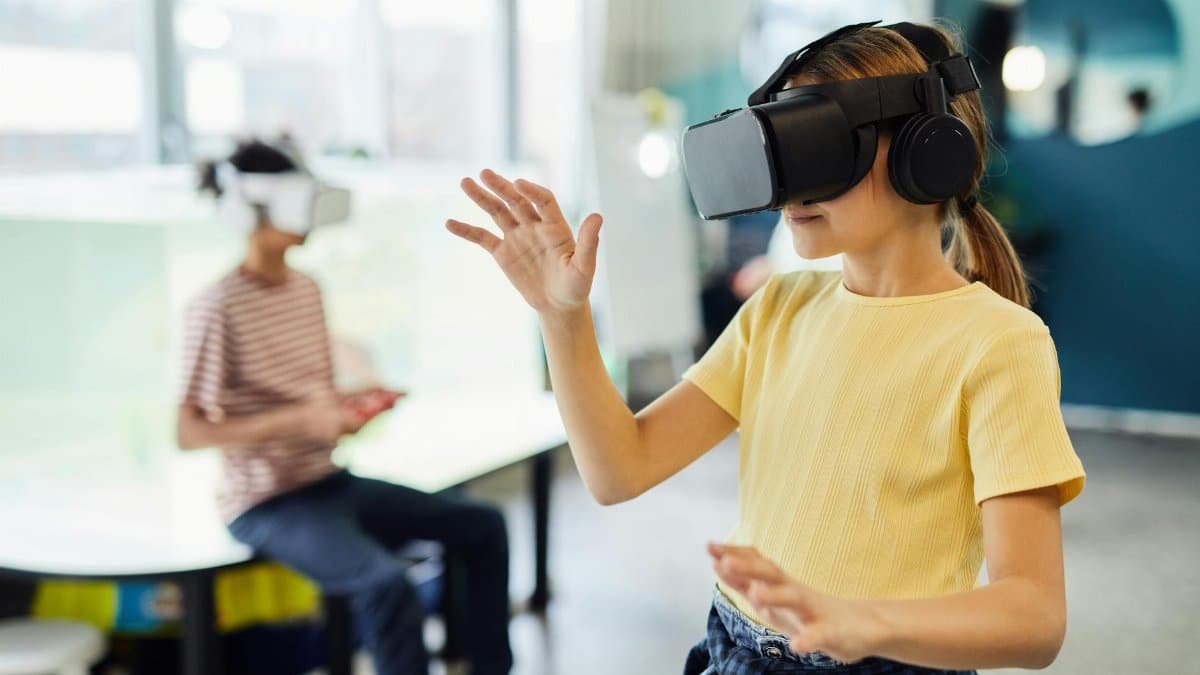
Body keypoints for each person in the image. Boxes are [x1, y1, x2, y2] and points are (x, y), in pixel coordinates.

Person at [445, 21, 1085, 675]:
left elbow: (1033, 618)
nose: (787, 185)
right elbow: (619, 468)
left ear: (926, 148)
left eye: (817, 144)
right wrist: (563, 318)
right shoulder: (780, 308)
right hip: (733, 647)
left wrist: (861, 620)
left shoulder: (998, 344)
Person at [177, 139, 513, 675]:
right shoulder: (215, 306)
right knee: (387, 585)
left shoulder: (306, 288)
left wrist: (351, 410)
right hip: (266, 504)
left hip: (328, 481)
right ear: (252, 208)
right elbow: (187, 430)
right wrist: (302, 420)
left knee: (482, 524)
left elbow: (314, 399)